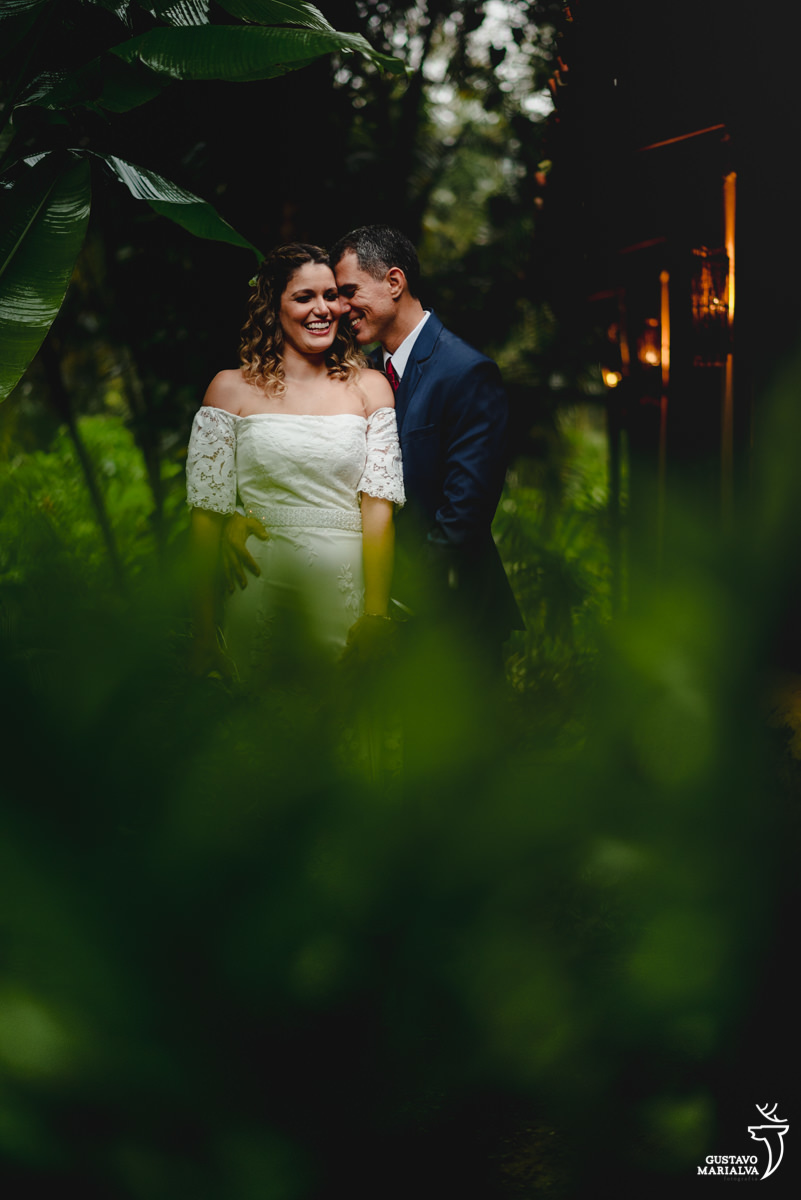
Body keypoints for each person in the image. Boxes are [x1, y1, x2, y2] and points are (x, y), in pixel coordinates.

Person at [186, 243, 405, 683]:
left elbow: (378, 508)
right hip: (256, 587)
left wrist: (376, 617)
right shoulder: (229, 390)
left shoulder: (371, 389)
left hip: (344, 593)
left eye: (330, 295)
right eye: (304, 297)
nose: (321, 309)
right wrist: (203, 632)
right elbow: (205, 518)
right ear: (274, 306)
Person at [329, 225, 523, 668]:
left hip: (452, 624)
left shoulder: (467, 372)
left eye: (348, 291)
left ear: (394, 282)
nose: (340, 308)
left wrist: (401, 608)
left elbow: (463, 516)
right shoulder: (364, 376)